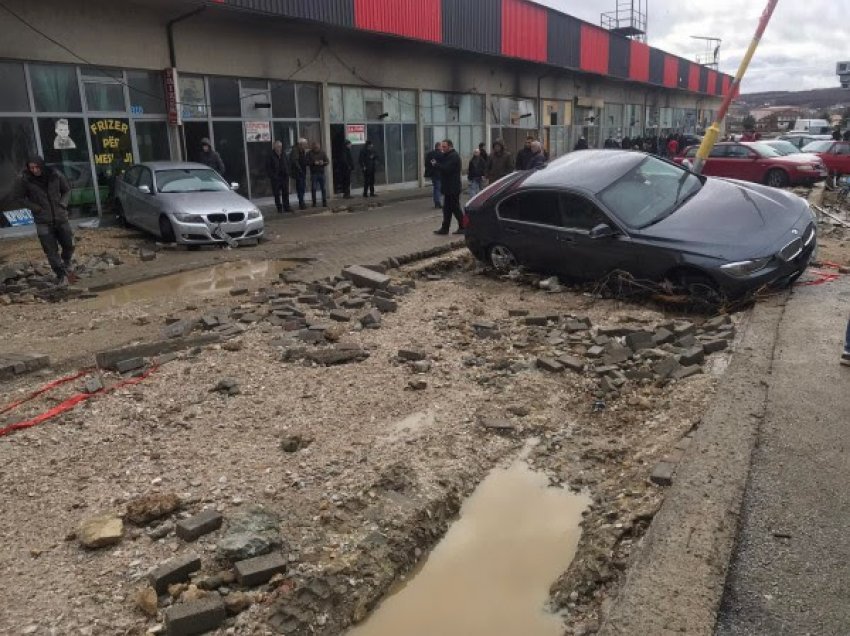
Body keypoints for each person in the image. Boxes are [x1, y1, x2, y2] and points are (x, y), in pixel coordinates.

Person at [14, 156, 75, 286]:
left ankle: (67, 261)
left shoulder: (55, 174)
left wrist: (63, 204)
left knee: (69, 245)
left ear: (42, 165)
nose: (34, 170)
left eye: (36, 167)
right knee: (51, 251)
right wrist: (35, 208)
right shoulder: (25, 180)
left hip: (61, 218)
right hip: (42, 221)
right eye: (31, 168)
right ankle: (61, 275)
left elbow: (67, 190)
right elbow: (19, 197)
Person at [432, 139, 463, 235]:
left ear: (450, 146)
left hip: (453, 188)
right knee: (447, 209)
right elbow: (442, 161)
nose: (442, 149)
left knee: (455, 208)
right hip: (448, 188)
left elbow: (446, 169)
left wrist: (436, 165)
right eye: (442, 146)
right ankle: (445, 228)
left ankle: (464, 226)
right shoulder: (448, 155)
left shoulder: (454, 156)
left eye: (444, 147)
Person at [265, 140, 291, 213]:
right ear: (274, 147)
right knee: (277, 194)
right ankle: (279, 208)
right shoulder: (270, 155)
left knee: (285, 193)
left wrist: (288, 172)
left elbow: (287, 163)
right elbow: (268, 167)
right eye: (278, 146)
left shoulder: (283, 154)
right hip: (276, 178)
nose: (280, 148)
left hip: (284, 177)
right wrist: (273, 176)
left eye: (281, 146)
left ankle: (287, 207)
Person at [307, 141, 329, 208]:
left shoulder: (322, 153)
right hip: (314, 173)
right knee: (313, 188)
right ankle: (314, 203)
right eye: (315, 147)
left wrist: (323, 163)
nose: (316, 148)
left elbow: (327, 161)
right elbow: (306, 162)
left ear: (319, 147)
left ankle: (324, 202)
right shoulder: (309, 153)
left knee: (323, 188)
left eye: (318, 147)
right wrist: (313, 163)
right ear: (313, 147)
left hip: (321, 173)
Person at [289, 138, 309, 210]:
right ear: (300, 144)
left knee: (302, 187)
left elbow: (304, 160)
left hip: (302, 172)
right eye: (304, 144)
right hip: (298, 173)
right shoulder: (295, 150)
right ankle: (301, 203)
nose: (305, 146)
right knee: (300, 187)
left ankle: (302, 201)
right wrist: (300, 169)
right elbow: (295, 161)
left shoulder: (302, 151)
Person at [424, 142, 442, 209]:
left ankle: (436, 202)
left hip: (432, 174)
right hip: (439, 174)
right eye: (441, 146)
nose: (442, 148)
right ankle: (438, 203)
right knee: (438, 188)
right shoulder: (441, 154)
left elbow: (426, 163)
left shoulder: (430, 154)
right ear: (439, 147)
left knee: (435, 188)